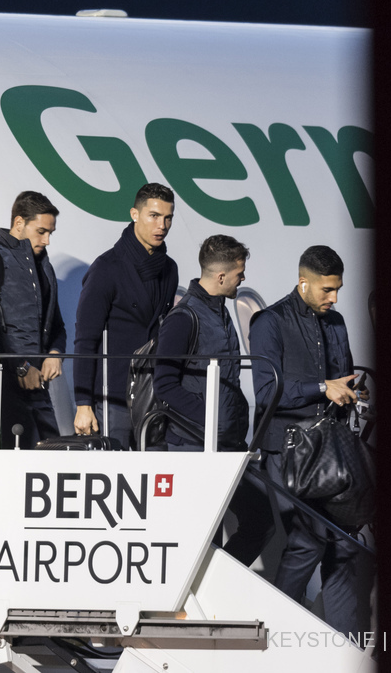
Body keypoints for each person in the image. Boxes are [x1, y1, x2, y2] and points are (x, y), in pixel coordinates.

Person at [250, 245, 370, 637]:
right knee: (307, 542)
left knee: (346, 546)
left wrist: (352, 391)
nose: (334, 298)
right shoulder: (269, 322)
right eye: (327, 290)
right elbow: (268, 393)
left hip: (331, 452)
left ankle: (343, 645)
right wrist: (322, 388)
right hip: (286, 451)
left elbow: (341, 378)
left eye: (337, 289)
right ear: (304, 282)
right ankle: (275, 636)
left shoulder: (335, 322)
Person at [153, 235, 273, 566]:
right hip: (193, 447)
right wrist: (211, 419)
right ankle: (192, 605)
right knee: (203, 534)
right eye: (239, 273)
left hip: (225, 444)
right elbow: (164, 385)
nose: (243, 279)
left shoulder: (219, 310)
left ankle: (217, 586)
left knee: (260, 519)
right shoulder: (184, 318)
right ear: (221, 277)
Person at [72, 183, 178, 449]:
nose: (161, 225)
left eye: (168, 218)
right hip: (112, 396)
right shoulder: (107, 268)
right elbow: (85, 339)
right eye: (153, 216)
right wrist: (83, 404)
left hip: (153, 393)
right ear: (135, 214)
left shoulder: (169, 269)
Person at [0, 191, 66, 449]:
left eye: (50, 234)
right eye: (41, 231)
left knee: (50, 459)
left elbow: (55, 324)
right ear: (19, 223)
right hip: (0, 390)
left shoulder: (43, 267)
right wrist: (21, 366)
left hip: (37, 389)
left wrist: (55, 353)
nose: (46, 241)